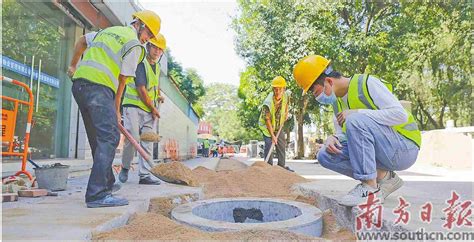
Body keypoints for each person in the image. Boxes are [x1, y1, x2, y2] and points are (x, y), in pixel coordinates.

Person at [293, 55, 421, 206]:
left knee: (355, 119)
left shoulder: (367, 83)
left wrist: (357, 113)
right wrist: (334, 138)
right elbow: (346, 135)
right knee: (325, 155)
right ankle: (385, 178)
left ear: (328, 81)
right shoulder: (337, 104)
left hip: (403, 149)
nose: (317, 97)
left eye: (315, 91)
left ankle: (370, 189)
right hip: (381, 152)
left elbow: (400, 115)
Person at [67, 10, 161, 208]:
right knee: (110, 137)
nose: (147, 40)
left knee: (98, 139)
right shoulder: (134, 45)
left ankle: (107, 183)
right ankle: (97, 195)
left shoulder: (109, 31)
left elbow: (81, 41)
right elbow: (122, 80)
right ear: (140, 25)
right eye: (149, 35)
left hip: (79, 86)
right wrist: (116, 110)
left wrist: (73, 66)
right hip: (99, 89)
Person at [118, 34, 166, 185]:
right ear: (148, 46)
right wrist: (153, 108)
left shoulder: (157, 66)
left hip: (148, 109)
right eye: (155, 47)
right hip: (133, 105)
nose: (157, 51)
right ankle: (125, 167)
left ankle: (145, 175)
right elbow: (141, 89)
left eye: (160, 49)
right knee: (132, 138)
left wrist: (158, 95)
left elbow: (154, 85)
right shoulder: (141, 62)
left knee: (147, 140)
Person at [258, 76, 291, 170]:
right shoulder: (267, 103)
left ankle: (281, 167)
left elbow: (287, 103)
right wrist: (272, 136)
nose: (278, 92)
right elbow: (267, 120)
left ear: (284, 89)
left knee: (281, 143)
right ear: (273, 89)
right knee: (269, 143)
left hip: (278, 125)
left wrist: (286, 113)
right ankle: (268, 167)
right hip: (267, 127)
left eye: (280, 89)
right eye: (275, 89)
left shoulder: (286, 95)